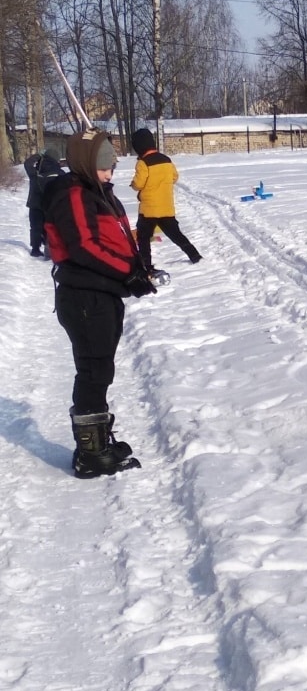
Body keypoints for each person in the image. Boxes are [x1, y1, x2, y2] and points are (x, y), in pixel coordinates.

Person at [43, 128, 157, 478]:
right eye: (104, 164)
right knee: (94, 370)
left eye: (112, 164)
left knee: (100, 367)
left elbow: (116, 237)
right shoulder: (73, 194)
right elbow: (84, 246)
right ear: (86, 163)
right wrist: (128, 272)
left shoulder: (98, 192)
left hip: (102, 294)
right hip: (84, 297)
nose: (111, 172)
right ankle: (91, 453)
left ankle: (97, 440)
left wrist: (137, 268)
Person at [129, 127, 201, 270]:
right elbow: (175, 177)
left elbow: (139, 183)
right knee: (176, 235)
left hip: (148, 211)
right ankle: (195, 256)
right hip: (167, 208)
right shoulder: (167, 160)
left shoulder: (143, 163)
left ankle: (146, 265)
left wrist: (133, 184)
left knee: (143, 238)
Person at [23, 147, 63, 257]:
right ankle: (49, 248)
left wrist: (39, 155)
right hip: (51, 206)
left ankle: (35, 249)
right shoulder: (60, 172)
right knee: (49, 226)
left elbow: (27, 163)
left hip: (35, 204)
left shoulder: (35, 172)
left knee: (35, 227)